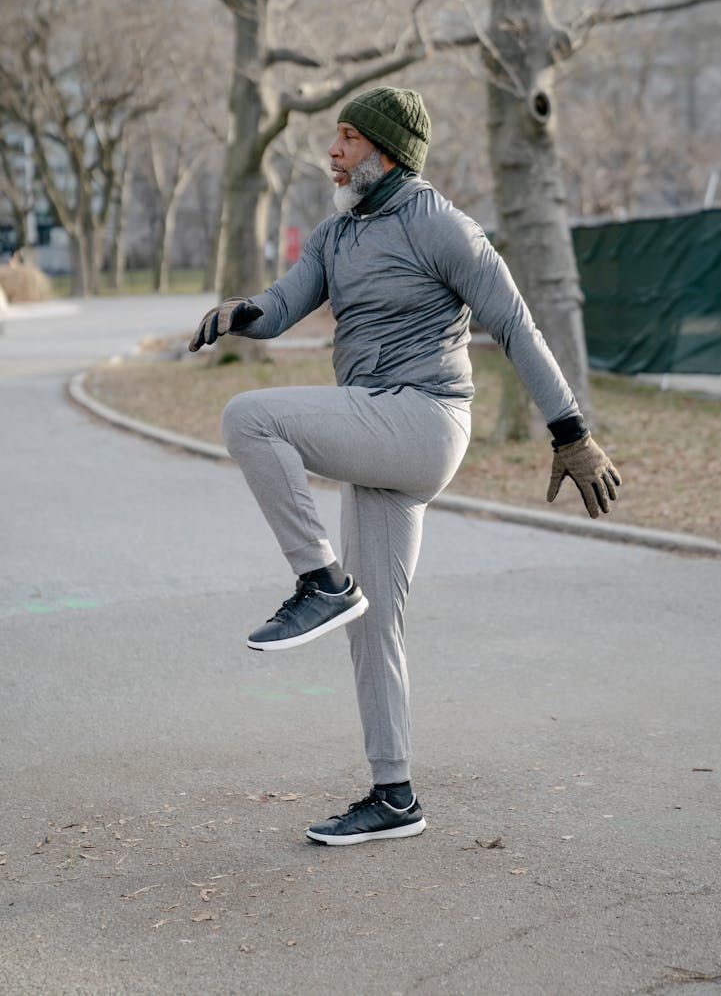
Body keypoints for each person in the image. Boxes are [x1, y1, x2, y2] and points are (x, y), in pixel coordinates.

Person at [189, 86, 621, 847]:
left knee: (248, 417)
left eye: (347, 138)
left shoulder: (440, 225)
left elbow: (515, 323)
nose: (333, 150)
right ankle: (394, 795)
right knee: (375, 620)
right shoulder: (334, 234)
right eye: (335, 137)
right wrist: (241, 312)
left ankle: (319, 581)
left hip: (423, 419)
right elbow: (285, 304)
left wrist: (570, 430)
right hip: (377, 428)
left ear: (386, 150)